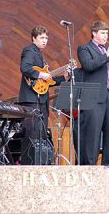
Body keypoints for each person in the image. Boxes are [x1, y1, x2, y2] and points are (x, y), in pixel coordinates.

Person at [77, 20, 109, 165]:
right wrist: (108, 54)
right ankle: (90, 167)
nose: (105, 36)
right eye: (102, 33)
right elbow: (88, 66)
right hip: (95, 97)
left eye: (106, 33)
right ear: (94, 33)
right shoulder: (85, 49)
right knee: (93, 133)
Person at [18, 25, 68, 163]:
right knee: (32, 134)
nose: (45, 40)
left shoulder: (39, 54)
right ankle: (30, 164)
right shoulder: (29, 50)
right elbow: (25, 68)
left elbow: (47, 81)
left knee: (40, 134)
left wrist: (64, 78)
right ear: (34, 38)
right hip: (31, 99)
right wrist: (41, 74)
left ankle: (38, 162)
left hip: (40, 99)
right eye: (42, 38)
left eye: (46, 38)